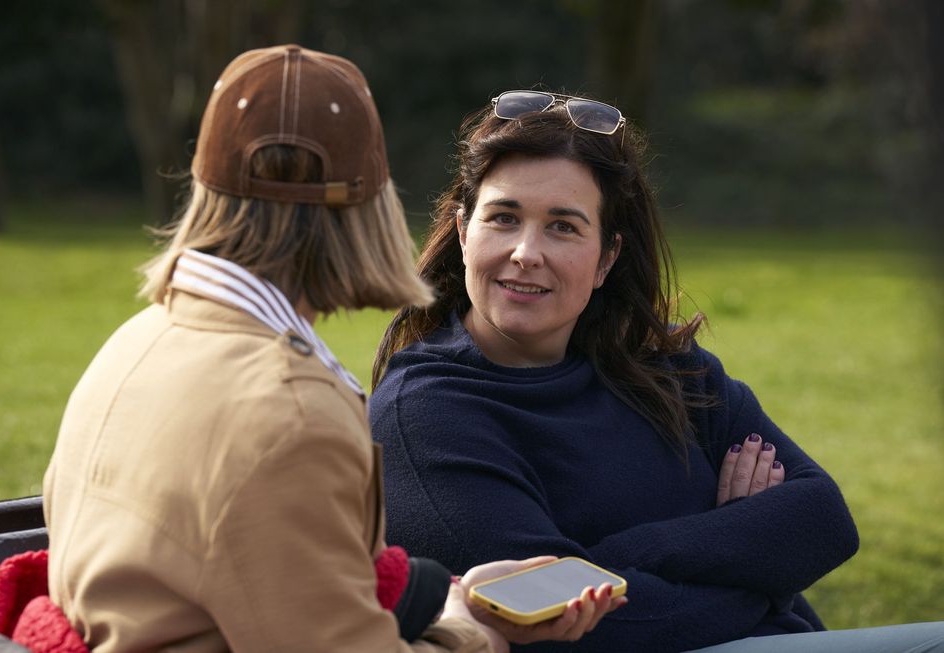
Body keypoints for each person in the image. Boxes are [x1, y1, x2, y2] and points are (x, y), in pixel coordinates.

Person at [40, 54, 622, 653]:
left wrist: (451, 600)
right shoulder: (289, 413)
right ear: (363, 210)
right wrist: (479, 633)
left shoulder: (140, 339)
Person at [369, 90, 944, 652]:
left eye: (563, 226)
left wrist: (610, 559)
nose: (526, 251)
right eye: (504, 218)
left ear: (607, 258)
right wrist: (756, 570)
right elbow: (565, 626)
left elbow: (822, 520)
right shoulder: (425, 412)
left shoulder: (660, 367)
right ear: (465, 233)